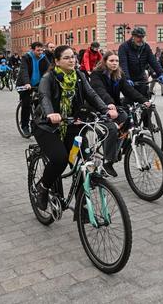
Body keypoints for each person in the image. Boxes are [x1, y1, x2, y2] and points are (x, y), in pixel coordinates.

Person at [32, 46, 119, 209]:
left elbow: (91, 94)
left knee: (83, 164)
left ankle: (82, 208)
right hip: (47, 126)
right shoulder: (48, 78)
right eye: (66, 58)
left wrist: (105, 109)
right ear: (57, 61)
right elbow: (45, 97)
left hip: (72, 123)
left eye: (73, 57)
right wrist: (51, 114)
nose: (71, 60)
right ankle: (42, 188)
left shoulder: (79, 76)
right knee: (60, 159)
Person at [89, 51, 150, 176]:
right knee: (111, 129)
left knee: (126, 119)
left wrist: (144, 101)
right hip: (98, 107)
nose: (114, 63)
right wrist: (109, 104)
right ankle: (108, 162)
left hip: (114, 108)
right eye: (111, 61)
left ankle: (117, 147)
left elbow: (129, 90)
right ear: (105, 62)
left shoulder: (118, 75)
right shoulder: (97, 74)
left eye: (116, 61)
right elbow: (100, 91)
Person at [117, 27, 163, 98]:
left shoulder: (146, 47)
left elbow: (153, 61)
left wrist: (161, 73)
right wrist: (127, 78)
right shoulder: (124, 47)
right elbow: (123, 64)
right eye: (138, 37)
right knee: (130, 100)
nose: (140, 39)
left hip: (141, 78)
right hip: (129, 78)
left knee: (146, 101)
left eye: (142, 37)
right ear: (133, 36)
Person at [16, 42, 51, 136]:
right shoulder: (26, 57)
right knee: (26, 104)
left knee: (40, 104)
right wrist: (27, 83)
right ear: (32, 50)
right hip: (24, 84)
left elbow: (49, 70)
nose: (40, 52)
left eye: (41, 50)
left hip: (38, 84)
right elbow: (24, 70)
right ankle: (25, 126)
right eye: (38, 50)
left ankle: (38, 125)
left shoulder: (44, 58)